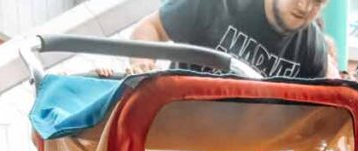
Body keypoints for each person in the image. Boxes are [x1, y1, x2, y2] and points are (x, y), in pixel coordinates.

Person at [129, 0, 334, 79]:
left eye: (318, 2)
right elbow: (151, 27)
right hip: (186, 135)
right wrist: (142, 64)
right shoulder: (217, 4)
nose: (305, 6)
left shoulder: (312, 46)